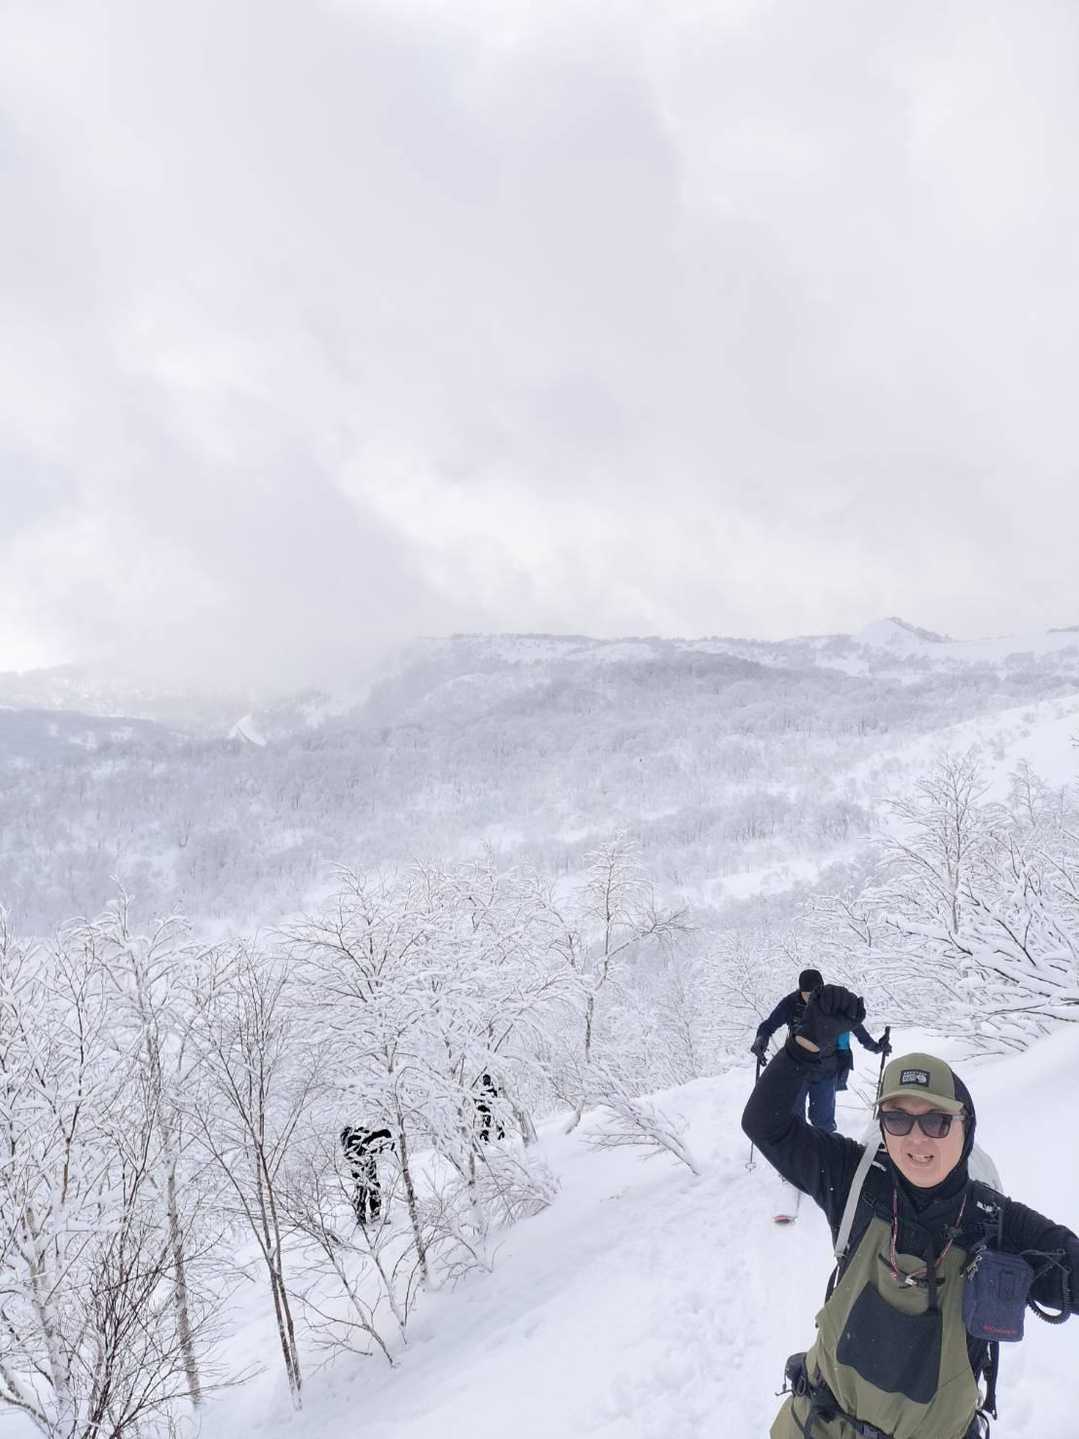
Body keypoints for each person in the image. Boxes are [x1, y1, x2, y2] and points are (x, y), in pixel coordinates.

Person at [743, 984, 1079, 1439]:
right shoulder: (855, 1181)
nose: (916, 1139)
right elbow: (765, 1125)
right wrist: (805, 1044)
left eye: (936, 1121)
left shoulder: (998, 1226)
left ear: (966, 1126)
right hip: (819, 1425)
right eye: (897, 1119)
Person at [750, 970, 888, 1133]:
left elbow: (856, 1027)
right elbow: (768, 1025)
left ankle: (826, 1144)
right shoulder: (790, 1003)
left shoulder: (832, 1003)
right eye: (807, 994)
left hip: (826, 1069)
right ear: (800, 991)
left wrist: (876, 1047)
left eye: (814, 994)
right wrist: (761, 1039)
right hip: (798, 1068)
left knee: (823, 1120)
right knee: (795, 1118)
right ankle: (798, 1146)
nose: (811, 999)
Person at [339, 1124, 394, 1224]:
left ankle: (361, 1217)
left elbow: (349, 1156)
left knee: (360, 1191)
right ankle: (375, 1215)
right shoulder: (361, 1134)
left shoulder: (347, 1143)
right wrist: (386, 1134)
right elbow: (374, 1137)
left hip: (356, 1168)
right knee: (374, 1188)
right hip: (368, 1165)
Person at [834, 1023, 891, 1092]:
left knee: (829, 1090)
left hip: (838, 1056)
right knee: (829, 1090)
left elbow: (860, 1031)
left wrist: (877, 1047)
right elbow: (861, 1033)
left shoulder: (847, 1017)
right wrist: (876, 1047)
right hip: (839, 1056)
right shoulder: (847, 1017)